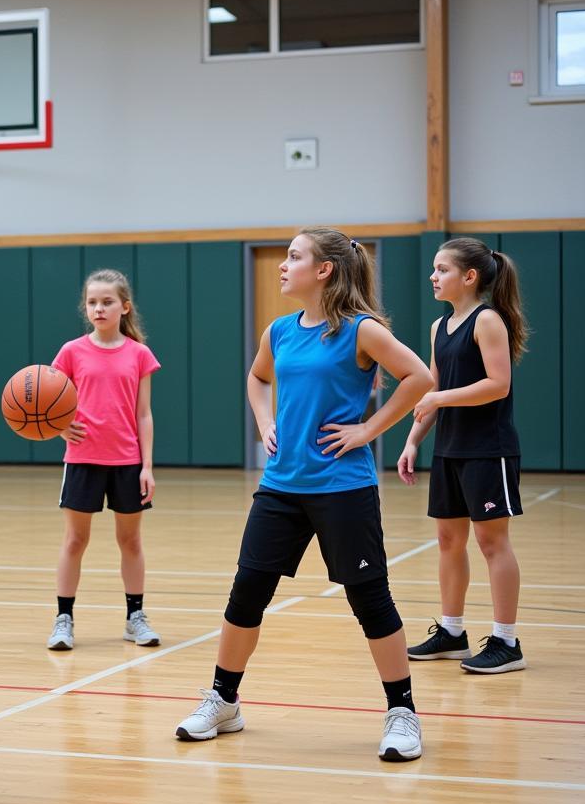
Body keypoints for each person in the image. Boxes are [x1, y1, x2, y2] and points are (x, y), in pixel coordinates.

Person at [174, 228, 434, 761]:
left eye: (294, 257)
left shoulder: (362, 331)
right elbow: (257, 379)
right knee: (247, 593)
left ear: (324, 270)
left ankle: (402, 712)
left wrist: (367, 430)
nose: (282, 265)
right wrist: (264, 421)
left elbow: (419, 377)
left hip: (343, 486)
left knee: (370, 599)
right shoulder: (280, 330)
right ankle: (223, 701)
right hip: (280, 486)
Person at [398, 237, 529, 674]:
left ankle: (507, 642)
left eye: (442, 270)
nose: (433, 277)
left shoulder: (487, 320)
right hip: (450, 451)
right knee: (448, 541)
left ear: (469, 277)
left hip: (488, 450)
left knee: (493, 543)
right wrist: (413, 439)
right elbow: (432, 391)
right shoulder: (440, 327)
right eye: (434, 270)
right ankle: (452, 633)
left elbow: (498, 384)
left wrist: (439, 400)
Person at [45, 269, 161, 652]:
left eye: (107, 301)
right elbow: (49, 401)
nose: (99, 308)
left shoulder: (139, 354)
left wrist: (147, 466)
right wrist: (60, 428)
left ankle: (135, 618)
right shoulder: (71, 351)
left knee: (130, 541)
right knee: (75, 540)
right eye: (92, 302)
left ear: (124, 307)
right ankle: (64, 620)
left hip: (127, 461)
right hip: (82, 459)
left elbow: (144, 414)